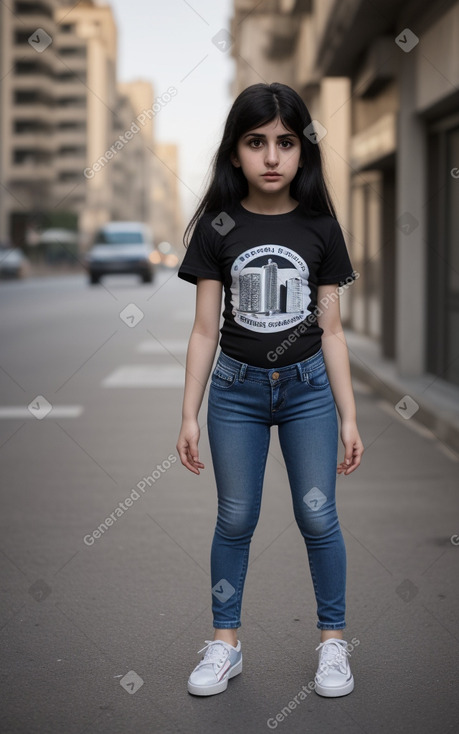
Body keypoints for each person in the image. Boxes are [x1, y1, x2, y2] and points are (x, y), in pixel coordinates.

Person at [176, 82, 364, 699]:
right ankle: (224, 644)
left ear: (303, 152)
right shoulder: (219, 224)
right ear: (235, 153)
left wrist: (348, 415)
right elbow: (205, 330)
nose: (273, 157)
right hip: (236, 390)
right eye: (256, 143)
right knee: (236, 516)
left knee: (317, 515)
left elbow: (331, 328)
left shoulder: (321, 227)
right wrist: (189, 414)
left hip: (309, 386)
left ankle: (332, 645)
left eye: (286, 142)